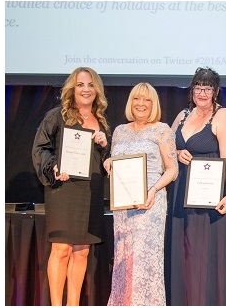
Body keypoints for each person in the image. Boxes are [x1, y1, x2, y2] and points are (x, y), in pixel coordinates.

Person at [32, 66, 110, 306]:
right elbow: (40, 148)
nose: (86, 89)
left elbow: (106, 161)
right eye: (80, 85)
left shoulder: (102, 122)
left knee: (82, 251)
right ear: (72, 89)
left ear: (97, 89)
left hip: (90, 192)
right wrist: (53, 166)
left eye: (90, 85)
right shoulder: (57, 116)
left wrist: (105, 144)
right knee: (61, 250)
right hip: (64, 191)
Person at [164, 67, 226, 305]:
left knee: (205, 259)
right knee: (183, 256)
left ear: (216, 91)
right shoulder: (182, 115)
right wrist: (175, 152)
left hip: (210, 199)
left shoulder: (223, 116)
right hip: (179, 196)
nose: (202, 92)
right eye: (198, 87)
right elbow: (164, 151)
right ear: (192, 90)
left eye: (208, 88)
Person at [104, 82, 178, 306]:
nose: (141, 104)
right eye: (137, 98)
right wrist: (109, 162)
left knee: (144, 261)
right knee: (124, 259)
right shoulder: (119, 131)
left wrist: (153, 190)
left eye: (147, 99)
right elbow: (117, 162)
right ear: (130, 102)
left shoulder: (162, 129)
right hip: (123, 207)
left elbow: (172, 169)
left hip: (150, 204)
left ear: (153, 104)